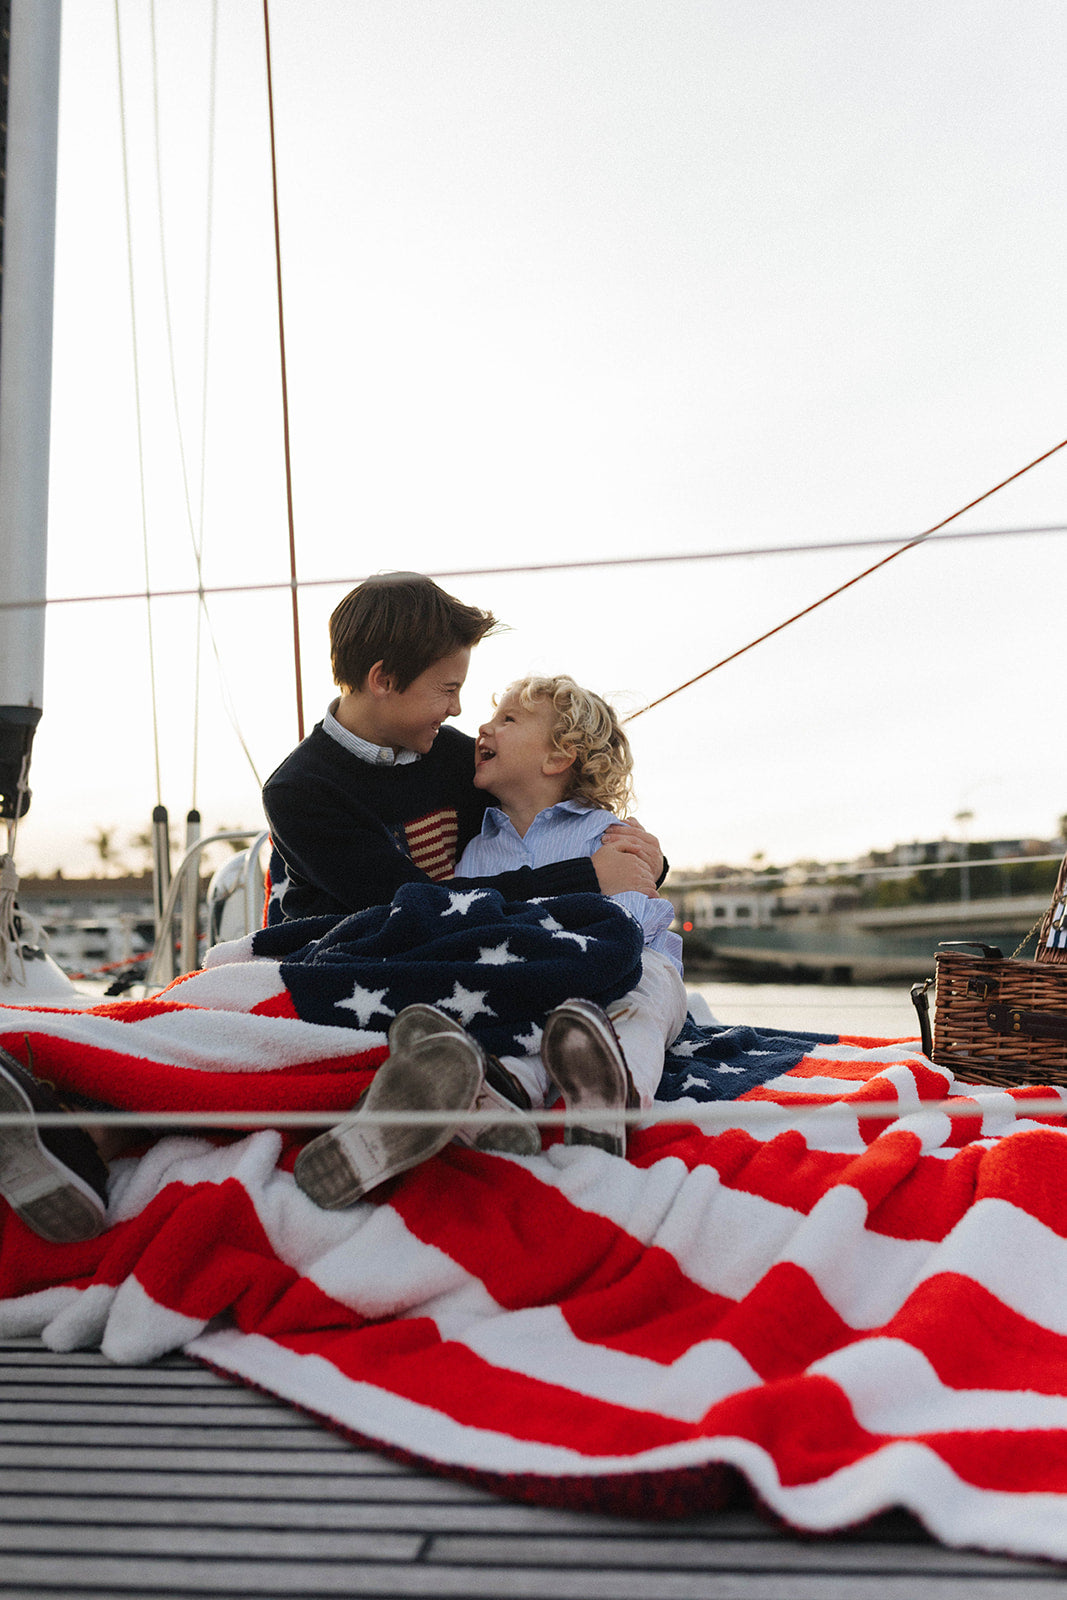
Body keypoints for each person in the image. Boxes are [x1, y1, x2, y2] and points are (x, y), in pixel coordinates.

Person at [293, 674, 687, 1210]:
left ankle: (613, 1099)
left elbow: (623, 925)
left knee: (638, 1008)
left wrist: (644, 869)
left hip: (628, 968)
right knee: (518, 1020)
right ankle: (499, 1096)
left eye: (508, 719)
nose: (481, 724)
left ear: (558, 758)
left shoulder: (605, 834)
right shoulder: (479, 846)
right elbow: (472, 917)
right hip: (538, 972)